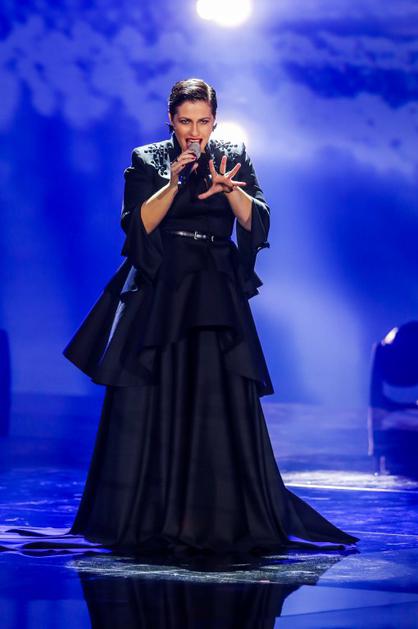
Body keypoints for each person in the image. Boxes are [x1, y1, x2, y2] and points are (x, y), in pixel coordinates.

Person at [62, 78, 359, 555]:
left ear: (215, 121)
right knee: (152, 398)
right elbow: (136, 225)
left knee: (216, 401)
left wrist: (231, 191)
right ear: (171, 121)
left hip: (214, 291)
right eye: (185, 122)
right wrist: (173, 183)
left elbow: (256, 221)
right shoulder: (147, 159)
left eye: (203, 122)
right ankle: (146, 512)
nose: (194, 132)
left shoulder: (232, 155)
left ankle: (218, 514)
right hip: (162, 290)